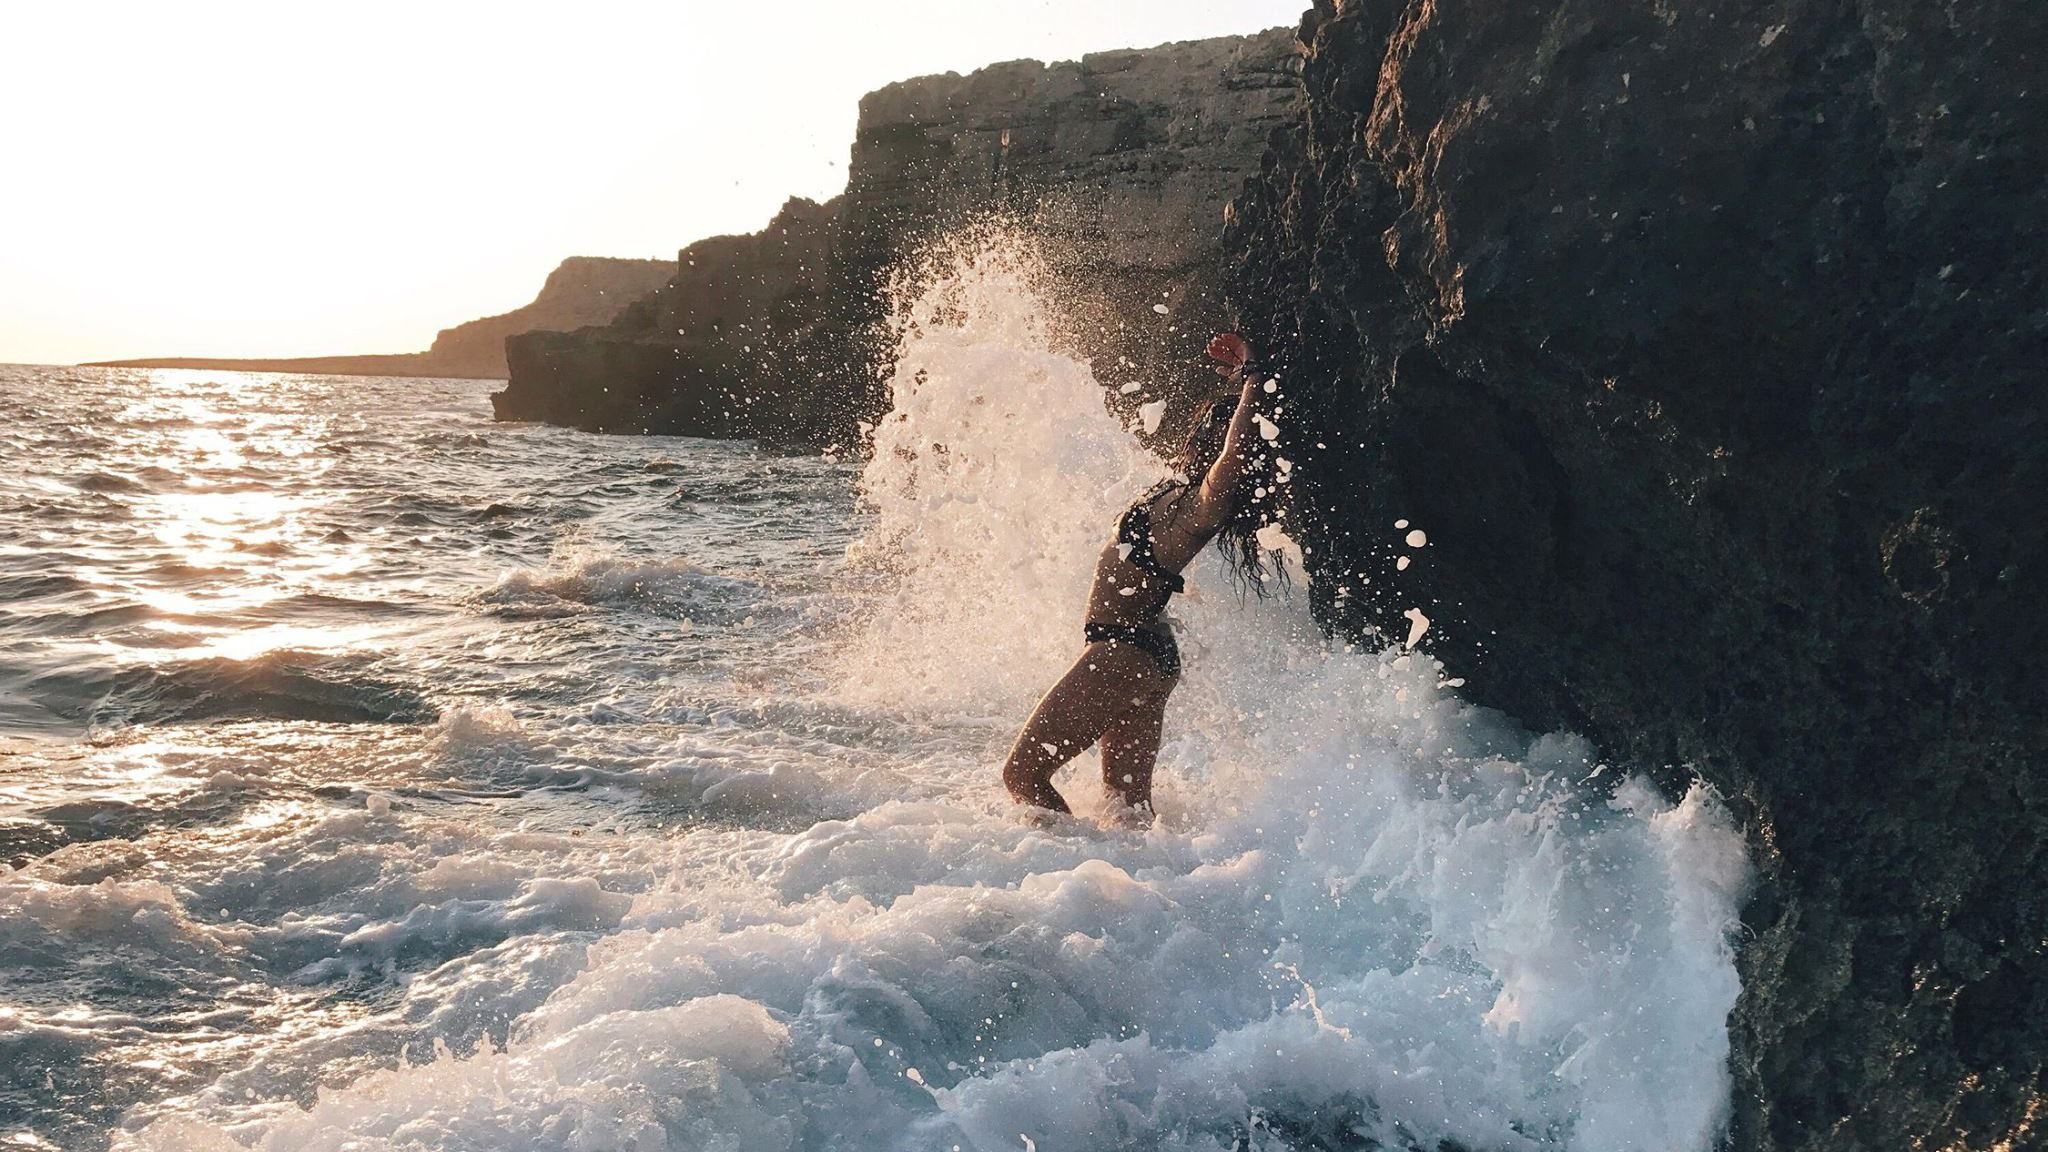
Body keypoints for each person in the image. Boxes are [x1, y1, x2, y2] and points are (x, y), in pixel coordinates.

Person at [1001, 332, 1275, 821]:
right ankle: (1136, 888)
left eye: (1213, 425)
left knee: (1023, 775)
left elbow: (1235, 454)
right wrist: (1238, 378)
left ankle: (1063, 878)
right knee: (1126, 813)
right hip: (1143, 653)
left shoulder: (1199, 510)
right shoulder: (1178, 495)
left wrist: (1255, 373)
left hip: (1125, 651)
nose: (1200, 431)